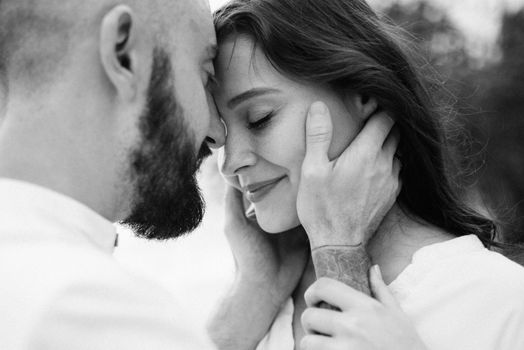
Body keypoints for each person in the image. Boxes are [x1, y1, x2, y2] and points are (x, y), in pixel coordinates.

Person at [0, 0, 401, 349]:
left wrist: (256, 291)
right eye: (204, 71)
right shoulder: (80, 310)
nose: (215, 134)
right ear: (124, 53)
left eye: (259, 118)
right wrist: (340, 256)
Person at [207, 0, 524, 349]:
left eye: (259, 118)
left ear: (364, 94)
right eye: (219, 136)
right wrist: (250, 301)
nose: (230, 163)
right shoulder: (253, 313)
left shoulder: (500, 301)